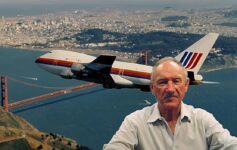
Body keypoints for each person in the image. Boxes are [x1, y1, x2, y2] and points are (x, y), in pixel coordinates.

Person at [103, 57, 237, 150]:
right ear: (152, 88)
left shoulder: (203, 120)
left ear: (186, 85)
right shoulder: (135, 122)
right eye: (162, 82)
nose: (170, 89)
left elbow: (230, 145)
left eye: (176, 81)